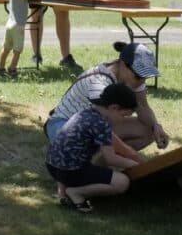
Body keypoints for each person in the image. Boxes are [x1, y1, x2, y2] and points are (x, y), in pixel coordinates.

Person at [44, 41, 169, 159]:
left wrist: (155, 126)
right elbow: (102, 128)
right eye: (138, 76)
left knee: (148, 130)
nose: (142, 81)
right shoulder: (99, 83)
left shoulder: (132, 80)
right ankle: (96, 166)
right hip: (62, 124)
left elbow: (142, 107)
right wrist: (133, 156)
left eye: (146, 76)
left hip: (92, 125)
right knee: (87, 142)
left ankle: (103, 165)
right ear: (122, 64)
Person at [46, 82, 141, 213]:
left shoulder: (85, 112)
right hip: (71, 172)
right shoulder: (102, 124)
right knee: (122, 182)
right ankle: (76, 192)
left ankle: (62, 192)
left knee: (74, 157)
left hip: (52, 166)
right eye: (124, 115)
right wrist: (134, 165)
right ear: (114, 108)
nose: (123, 120)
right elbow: (111, 159)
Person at [0, 0, 37, 79]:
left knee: (6, 48)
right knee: (17, 50)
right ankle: (12, 69)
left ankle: (0, 66)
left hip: (9, 24)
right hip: (18, 26)